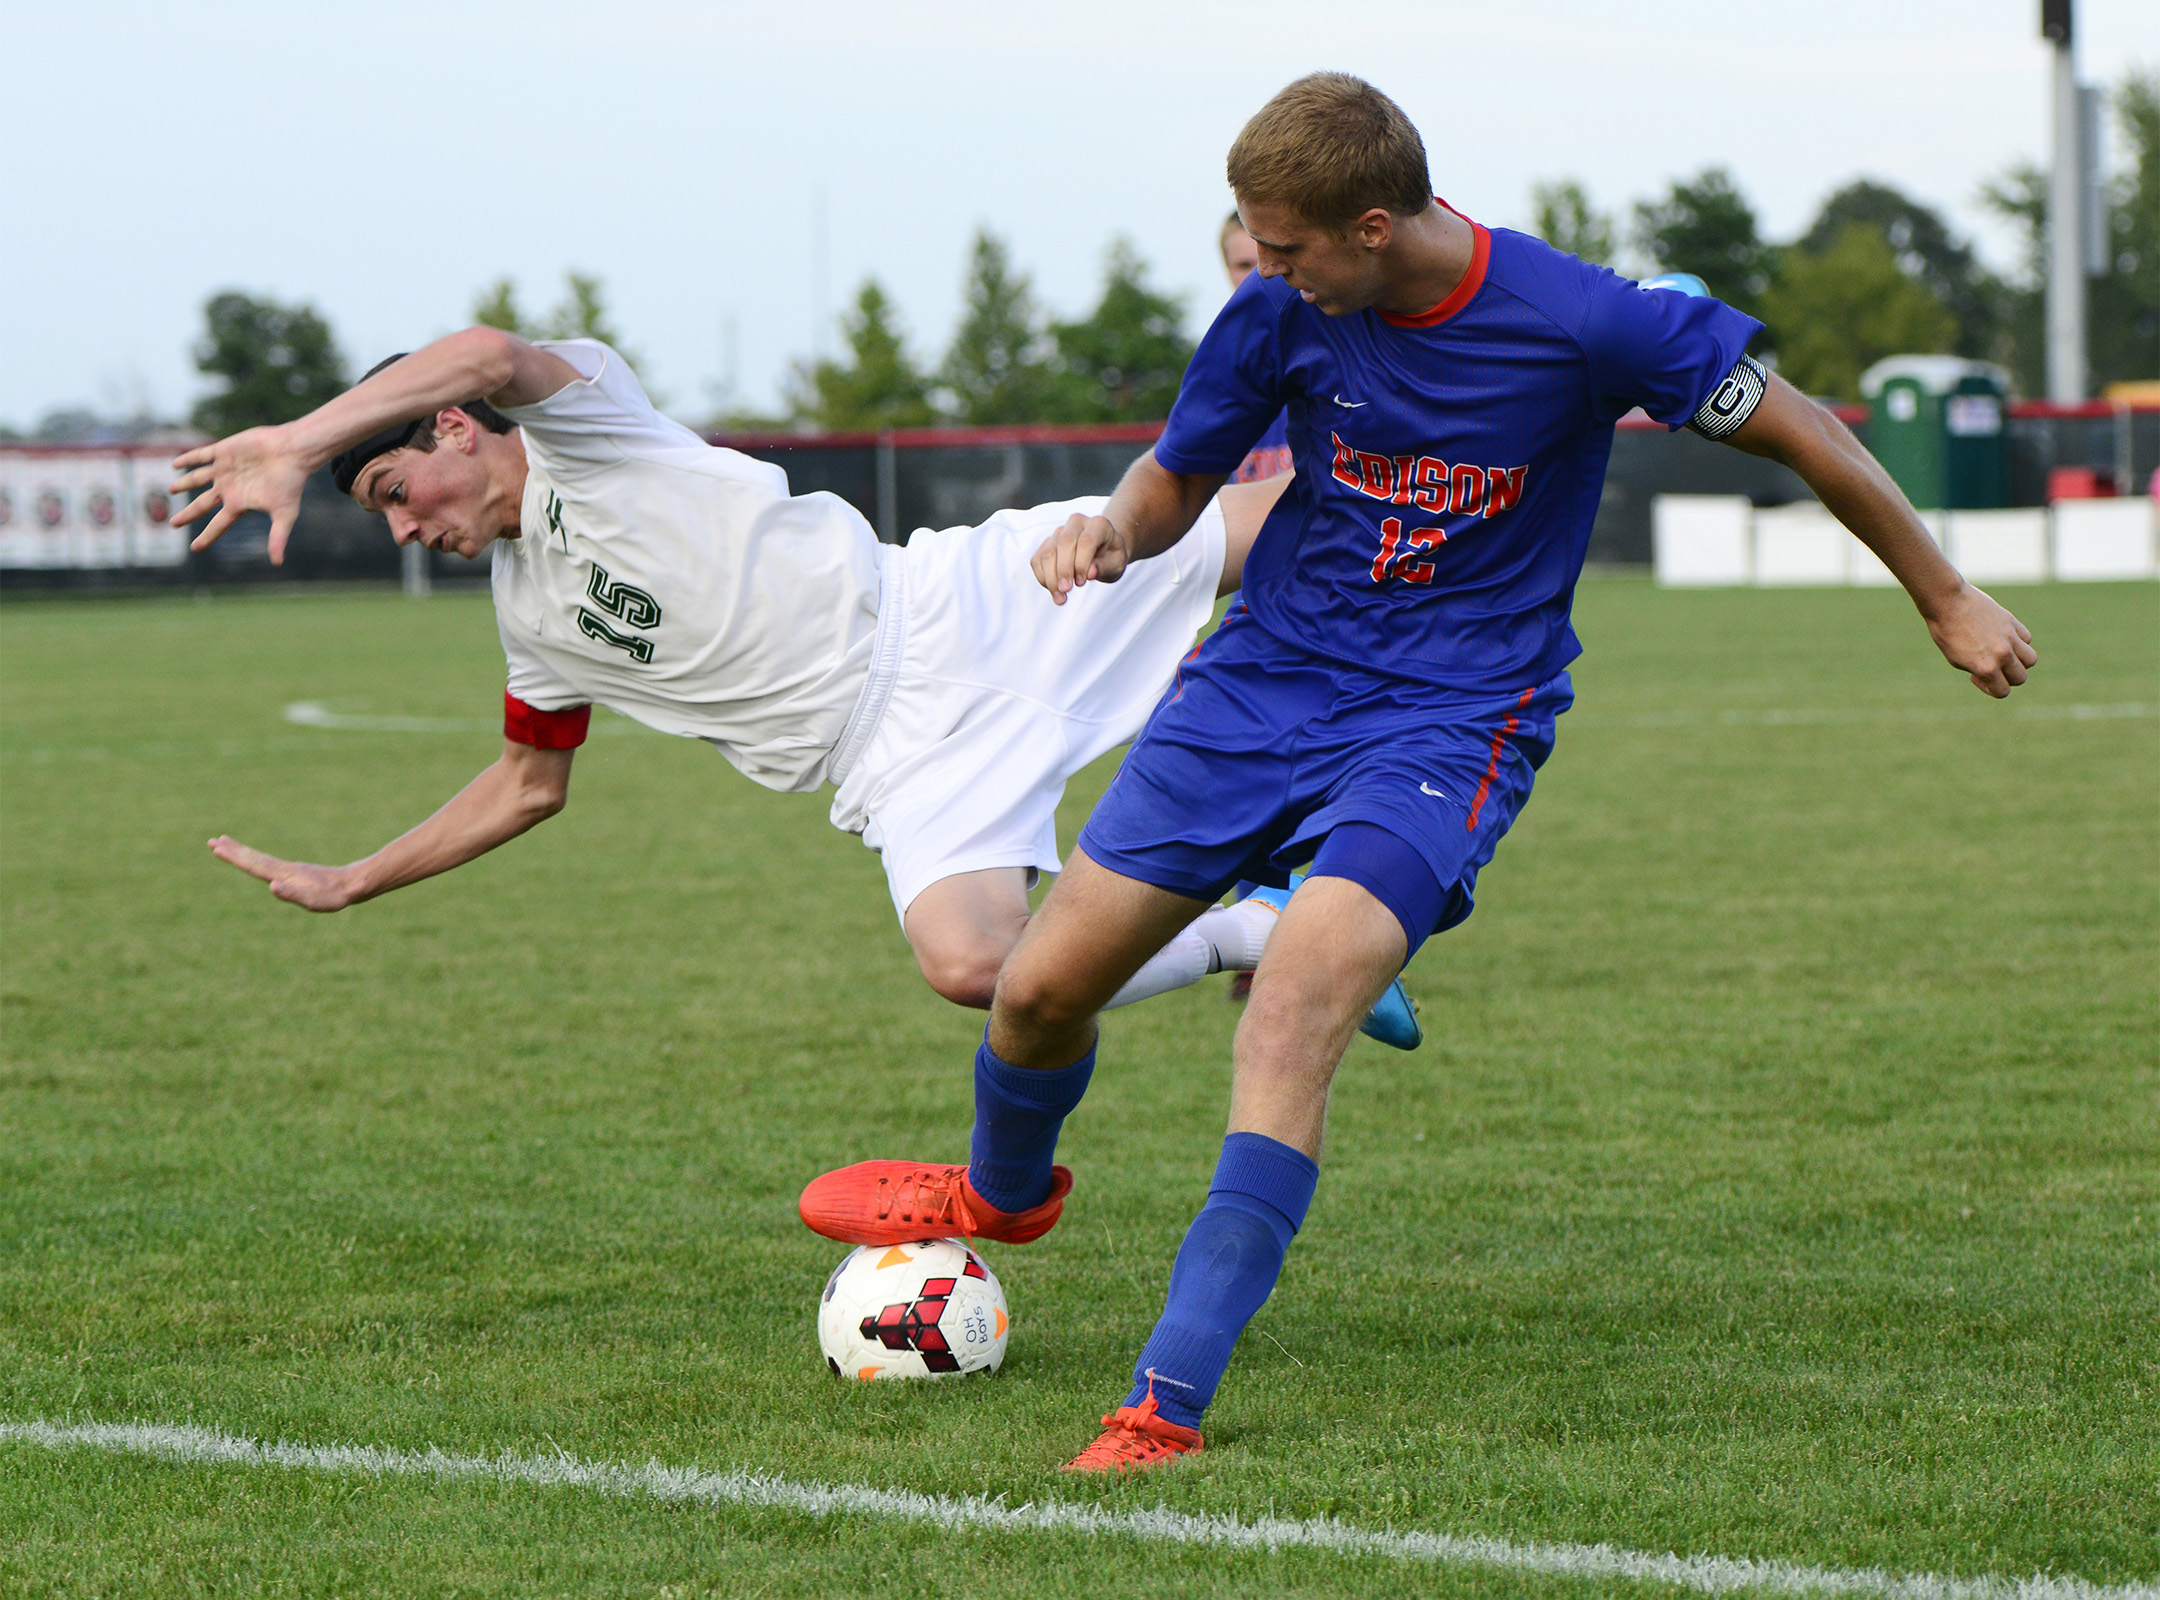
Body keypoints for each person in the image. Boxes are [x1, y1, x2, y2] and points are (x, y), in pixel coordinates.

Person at [796, 73, 2036, 1472]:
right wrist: (1115, 533)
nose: (1262, 270)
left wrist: (1944, 593)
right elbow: (1177, 473)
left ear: (1374, 228)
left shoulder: (1587, 322)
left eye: (1285, 247)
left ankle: (1164, 1410)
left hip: (1450, 720)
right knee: (1033, 990)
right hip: (1260, 687)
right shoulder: (1281, 311)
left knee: (1297, 1009)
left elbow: (1803, 425)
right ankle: (1007, 1202)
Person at [172, 329, 1421, 1032]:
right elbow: (525, 785)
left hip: (950, 609)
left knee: (1286, 522)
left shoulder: (589, 431)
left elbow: (492, 350)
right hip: (890, 765)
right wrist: (358, 877)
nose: (404, 529)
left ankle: (1477, 462)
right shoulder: (530, 620)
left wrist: (295, 438)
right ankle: (1260, 928)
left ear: (449, 431)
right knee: (982, 970)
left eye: (394, 492)